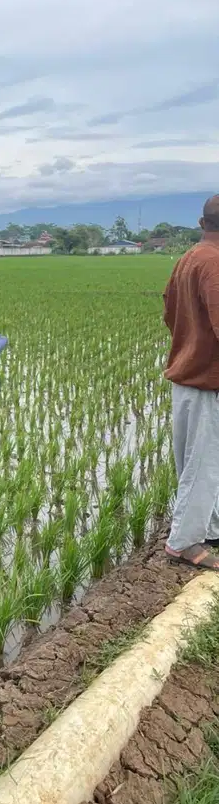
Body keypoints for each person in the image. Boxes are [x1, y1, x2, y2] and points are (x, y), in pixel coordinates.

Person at [162, 194, 219, 570]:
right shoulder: (215, 264)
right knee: (205, 464)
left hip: (186, 375)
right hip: (207, 380)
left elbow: (168, 311)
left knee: (198, 462)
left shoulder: (188, 258)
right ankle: (183, 542)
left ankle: (210, 525)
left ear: (202, 224)